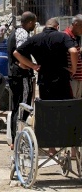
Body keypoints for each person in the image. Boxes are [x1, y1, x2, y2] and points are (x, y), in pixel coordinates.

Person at [13, 18, 78, 155]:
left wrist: (33, 66)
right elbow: (73, 51)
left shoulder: (35, 38)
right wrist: (73, 68)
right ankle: (72, 148)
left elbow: (16, 53)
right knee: (67, 112)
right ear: (57, 26)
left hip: (44, 81)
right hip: (62, 79)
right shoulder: (62, 36)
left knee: (48, 113)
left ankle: (51, 148)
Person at [7, 11, 37, 150]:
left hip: (15, 75)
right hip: (21, 75)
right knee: (23, 107)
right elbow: (19, 52)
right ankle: (20, 138)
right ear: (29, 22)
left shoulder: (15, 32)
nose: (34, 26)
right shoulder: (22, 33)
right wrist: (32, 66)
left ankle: (15, 139)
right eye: (34, 23)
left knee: (16, 107)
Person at [63, 14, 82, 158]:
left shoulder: (74, 38)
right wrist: (74, 71)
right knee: (74, 112)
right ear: (75, 24)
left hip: (78, 79)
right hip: (74, 79)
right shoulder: (66, 37)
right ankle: (72, 149)